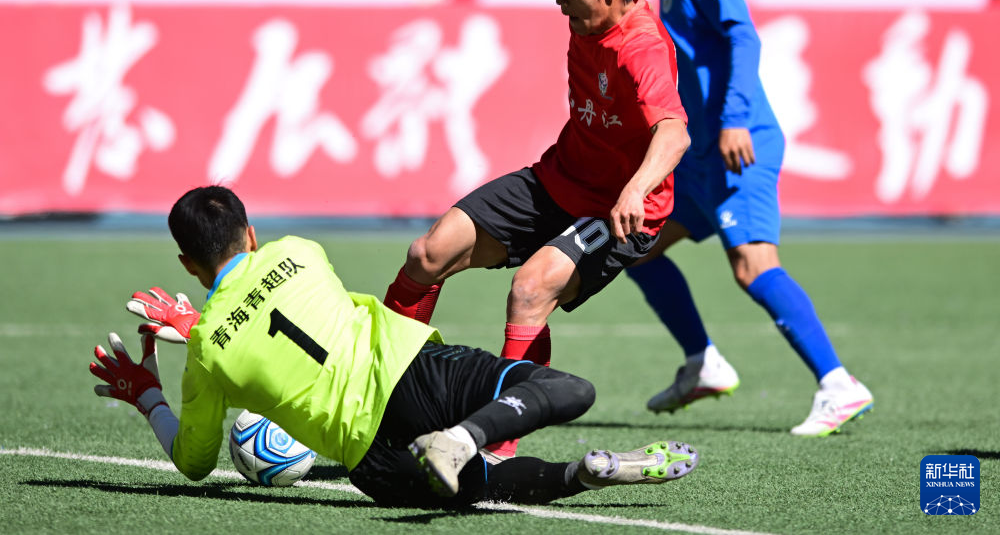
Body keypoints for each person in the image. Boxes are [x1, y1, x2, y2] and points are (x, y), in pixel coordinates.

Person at [88, 185, 699, 508]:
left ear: (186, 263)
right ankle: (465, 437)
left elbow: (194, 463)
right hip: (412, 372)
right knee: (568, 390)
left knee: (493, 485)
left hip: (371, 460)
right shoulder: (298, 251)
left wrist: (149, 396)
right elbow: (268, 302)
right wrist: (202, 319)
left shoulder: (207, 351)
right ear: (251, 233)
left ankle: (579, 475)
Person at [380, 0, 691, 458]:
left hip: (614, 211)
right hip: (556, 180)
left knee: (530, 289)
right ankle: (380, 389)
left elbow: (674, 131)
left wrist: (635, 189)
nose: (559, 2)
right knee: (428, 253)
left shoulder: (641, 47)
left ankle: (496, 445)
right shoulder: (587, 19)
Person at [624, 0, 873, 437]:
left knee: (753, 265)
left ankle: (839, 385)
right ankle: (703, 363)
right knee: (637, 248)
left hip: (739, 146)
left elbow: (744, 35)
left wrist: (735, 118)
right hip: (701, 159)